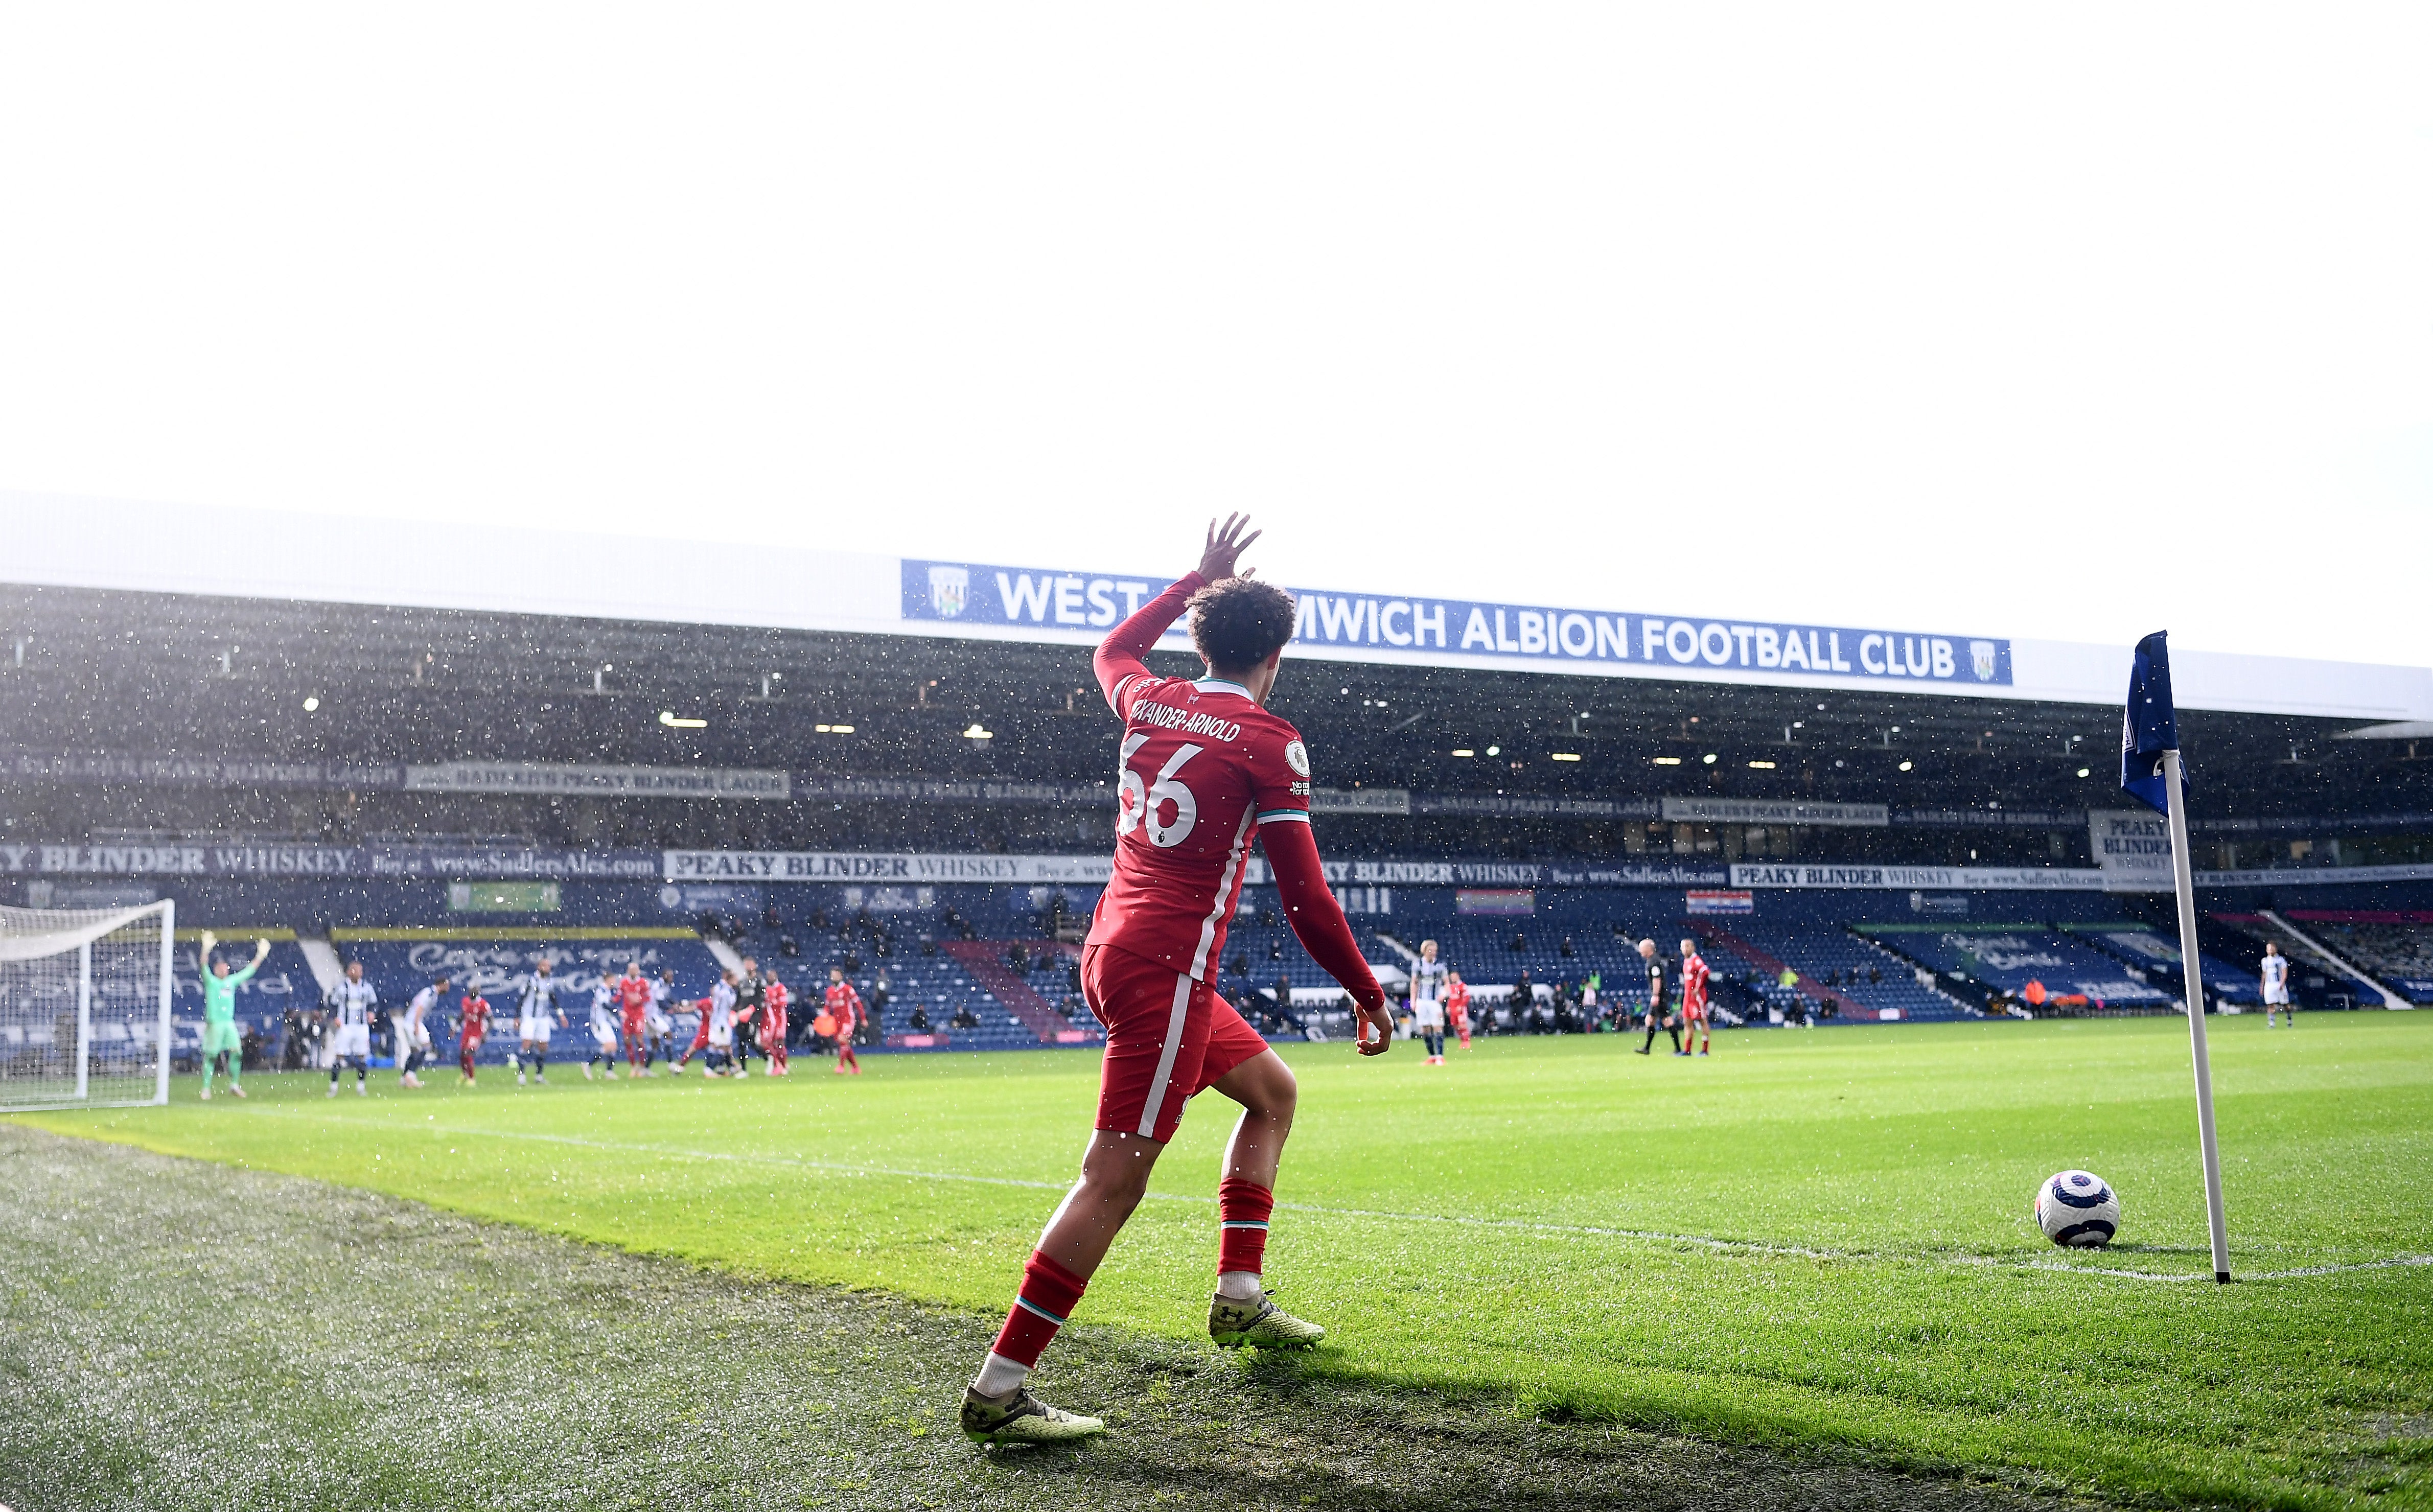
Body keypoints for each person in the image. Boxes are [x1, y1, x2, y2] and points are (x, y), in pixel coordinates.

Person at [961, 515, 1392, 1447]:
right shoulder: (1270, 738)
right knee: (1112, 1179)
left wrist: (1189, 577)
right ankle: (1000, 1385)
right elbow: (1309, 898)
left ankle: (1240, 1293)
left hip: (1116, 947)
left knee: (1271, 1091)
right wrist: (1365, 984)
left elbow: (1112, 646)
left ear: (1198, 640)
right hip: (1167, 969)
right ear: (1275, 652)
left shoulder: (1149, 698)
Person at [195, 931, 270, 1101]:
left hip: (228, 1023)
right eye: (221, 968)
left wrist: (260, 956)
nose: (224, 969)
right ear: (216, 970)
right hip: (215, 1023)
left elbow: (249, 972)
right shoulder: (211, 982)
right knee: (212, 1055)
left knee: (237, 1052)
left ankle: (234, 1085)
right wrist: (205, 951)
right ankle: (206, 1088)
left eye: (226, 967)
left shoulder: (231, 982)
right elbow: (203, 966)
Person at [513, 958, 566, 1085]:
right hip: (529, 1017)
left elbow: (553, 998)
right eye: (545, 966)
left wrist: (561, 1015)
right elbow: (521, 998)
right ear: (539, 967)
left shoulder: (550, 982)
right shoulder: (531, 981)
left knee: (543, 1046)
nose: (548, 969)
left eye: (549, 966)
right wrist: (517, 1017)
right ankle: (522, 1075)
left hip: (543, 1018)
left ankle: (539, 1075)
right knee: (526, 1044)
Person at [327, 959, 376, 1097]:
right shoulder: (342, 987)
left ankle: (361, 1087)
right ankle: (334, 1087)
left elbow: (374, 1003)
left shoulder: (366, 987)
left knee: (362, 1056)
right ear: (350, 972)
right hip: (346, 1026)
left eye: (361, 970)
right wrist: (335, 1017)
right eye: (357, 970)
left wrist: (372, 1013)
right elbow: (332, 1004)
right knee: (340, 1056)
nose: (360, 973)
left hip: (361, 1027)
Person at [678, 969, 737, 1074]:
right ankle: (709, 1069)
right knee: (722, 1046)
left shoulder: (719, 991)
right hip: (716, 1025)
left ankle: (725, 1068)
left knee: (724, 1046)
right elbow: (731, 1004)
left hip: (715, 1024)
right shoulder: (726, 992)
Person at [398, 976, 448, 1089]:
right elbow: (420, 1007)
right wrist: (416, 1025)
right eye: (447, 985)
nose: (448, 988)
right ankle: (410, 1075)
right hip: (413, 1022)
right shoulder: (430, 993)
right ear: (442, 984)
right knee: (426, 1046)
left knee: (415, 1050)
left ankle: (404, 1078)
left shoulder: (430, 992)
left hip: (409, 1021)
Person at [1635, 938, 1679, 1056]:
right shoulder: (1653, 960)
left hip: (1660, 996)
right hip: (1661, 996)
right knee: (1651, 1020)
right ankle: (1647, 1048)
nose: (1640, 951)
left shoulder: (1654, 962)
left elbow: (1657, 979)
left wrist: (1655, 995)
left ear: (1648, 949)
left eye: (1641, 948)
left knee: (1666, 1020)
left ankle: (1678, 1049)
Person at [1407, 939, 1449, 1065]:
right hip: (1421, 1001)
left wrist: (1444, 994)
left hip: (1434, 1001)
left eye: (1435, 951)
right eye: (1430, 951)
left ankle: (1440, 1056)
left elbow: (1447, 982)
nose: (1433, 953)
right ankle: (1432, 1056)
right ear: (1424, 951)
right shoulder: (1418, 964)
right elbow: (1414, 983)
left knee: (1438, 1027)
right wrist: (1413, 1000)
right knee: (1425, 1029)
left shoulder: (1440, 965)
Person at [614, 961, 655, 1077]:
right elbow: (618, 996)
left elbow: (648, 997)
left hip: (639, 1015)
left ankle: (642, 1066)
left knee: (639, 1040)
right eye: (631, 969)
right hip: (627, 1015)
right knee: (627, 1040)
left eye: (635, 969)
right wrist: (611, 1003)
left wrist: (639, 1000)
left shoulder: (643, 983)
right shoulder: (624, 983)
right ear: (628, 971)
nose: (633, 972)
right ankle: (633, 1066)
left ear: (638, 971)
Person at [824, 967, 865, 1076]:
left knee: (843, 1039)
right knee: (844, 1044)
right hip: (837, 1021)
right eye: (832, 975)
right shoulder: (830, 991)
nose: (834, 977)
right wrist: (825, 1016)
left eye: (836, 975)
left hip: (848, 1019)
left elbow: (858, 1004)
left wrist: (864, 1019)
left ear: (841, 976)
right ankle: (856, 1068)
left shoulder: (848, 989)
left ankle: (841, 1066)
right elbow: (827, 1007)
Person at [1677, 938, 1711, 1057]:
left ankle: (1705, 1050)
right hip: (1688, 997)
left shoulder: (1696, 961)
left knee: (1703, 1020)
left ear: (1693, 948)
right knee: (1687, 1022)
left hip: (1697, 997)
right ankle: (1687, 1050)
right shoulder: (1686, 961)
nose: (1685, 949)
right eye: (1683, 947)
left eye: (1687, 946)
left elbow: (1705, 971)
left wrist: (1699, 987)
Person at [731, 960, 766, 1077]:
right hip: (742, 1017)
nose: (748, 966)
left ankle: (769, 1058)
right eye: (746, 964)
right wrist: (735, 1011)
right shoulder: (742, 982)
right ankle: (744, 1070)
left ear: (755, 966)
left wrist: (751, 1010)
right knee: (741, 1042)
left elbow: (761, 999)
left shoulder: (760, 981)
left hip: (754, 1017)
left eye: (750, 963)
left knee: (752, 1041)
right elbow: (738, 1000)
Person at [585, 975, 621, 1080]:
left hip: (604, 1021)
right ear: (609, 980)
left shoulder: (607, 991)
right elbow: (604, 1004)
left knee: (613, 1046)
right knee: (610, 1045)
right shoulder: (602, 990)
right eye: (613, 979)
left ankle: (609, 1072)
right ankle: (588, 1064)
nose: (615, 982)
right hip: (598, 1022)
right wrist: (618, 1012)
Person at [456, 986, 493, 1085]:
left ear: (478, 993)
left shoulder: (483, 1005)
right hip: (467, 1031)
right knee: (462, 1054)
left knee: (468, 1053)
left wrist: (485, 1034)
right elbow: (462, 1015)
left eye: (475, 991)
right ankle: (465, 1074)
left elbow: (491, 1020)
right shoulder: (465, 1001)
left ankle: (472, 1079)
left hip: (477, 1033)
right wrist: (455, 1027)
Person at [648, 968, 679, 1067]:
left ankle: (645, 1068)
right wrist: (672, 1007)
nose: (671, 979)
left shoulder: (665, 985)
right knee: (668, 1034)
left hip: (652, 1015)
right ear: (664, 976)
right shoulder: (658, 985)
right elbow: (660, 1001)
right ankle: (671, 1063)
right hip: (652, 1015)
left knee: (655, 1044)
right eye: (670, 976)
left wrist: (676, 1003)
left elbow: (668, 997)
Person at [761, 974, 792, 1075]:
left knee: (779, 1042)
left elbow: (783, 1003)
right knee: (768, 1042)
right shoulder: (766, 989)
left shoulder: (781, 988)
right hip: (769, 1020)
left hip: (779, 1020)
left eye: (772, 976)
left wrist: (771, 1000)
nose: (770, 977)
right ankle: (778, 1065)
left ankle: (782, 1066)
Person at [1446, 969, 1472, 1051]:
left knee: (1462, 1025)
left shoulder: (1463, 986)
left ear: (1458, 976)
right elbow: (1450, 998)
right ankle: (1462, 1041)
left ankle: (1467, 1042)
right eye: (1451, 977)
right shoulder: (1451, 987)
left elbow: (1467, 997)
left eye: (1454, 976)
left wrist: (1461, 1006)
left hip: (1460, 1010)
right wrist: (1448, 1007)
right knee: (1456, 1026)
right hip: (1453, 1010)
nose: (1453, 978)